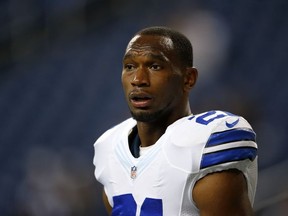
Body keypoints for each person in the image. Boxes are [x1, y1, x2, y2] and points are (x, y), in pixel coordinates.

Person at [93, 26, 258, 216]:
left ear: (188, 79)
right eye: (130, 67)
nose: (138, 79)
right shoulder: (110, 148)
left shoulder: (204, 146)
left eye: (155, 66)